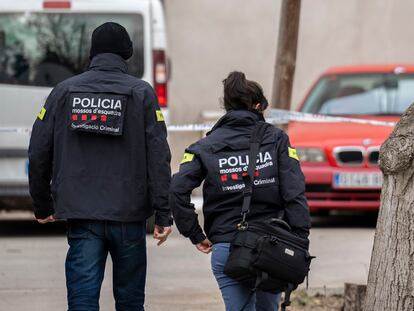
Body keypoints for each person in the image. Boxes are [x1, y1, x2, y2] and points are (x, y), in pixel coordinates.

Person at [28, 22, 172, 311]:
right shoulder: (142, 94)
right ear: (126, 54)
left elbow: (39, 150)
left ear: (92, 54)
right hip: (129, 216)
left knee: (82, 302)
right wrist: (163, 213)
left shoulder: (63, 92)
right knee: (130, 302)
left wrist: (43, 204)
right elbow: (159, 155)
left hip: (82, 216)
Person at [170, 71, 311, 311]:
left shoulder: (205, 146)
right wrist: (299, 241)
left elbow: (175, 189)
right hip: (273, 247)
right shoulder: (277, 139)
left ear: (226, 107)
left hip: (227, 246)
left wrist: (194, 233)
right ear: (257, 106)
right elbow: (294, 193)